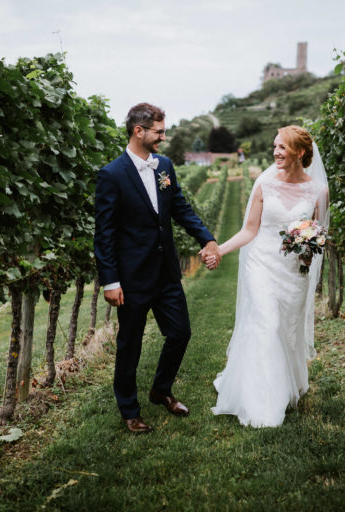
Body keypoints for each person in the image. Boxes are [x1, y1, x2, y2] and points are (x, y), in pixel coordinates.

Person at [94, 103, 221, 434]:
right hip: (132, 277)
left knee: (180, 333)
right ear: (139, 131)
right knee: (130, 345)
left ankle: (160, 390)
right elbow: (104, 234)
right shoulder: (111, 174)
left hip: (166, 271)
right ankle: (129, 410)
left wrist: (207, 238)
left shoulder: (164, 166)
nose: (164, 138)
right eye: (159, 132)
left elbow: (180, 206)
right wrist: (110, 280)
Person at [208, 125, 329, 427]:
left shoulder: (319, 190)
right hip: (261, 262)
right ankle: (262, 403)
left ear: (300, 152)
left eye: (282, 148)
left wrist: (306, 249)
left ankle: (286, 384)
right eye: (274, 147)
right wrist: (220, 250)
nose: (275, 152)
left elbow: (319, 234)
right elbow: (250, 229)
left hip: (293, 270)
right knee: (267, 322)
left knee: (286, 329)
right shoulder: (264, 182)